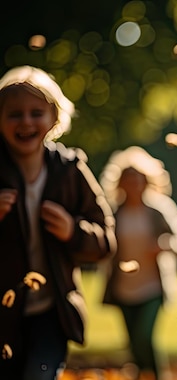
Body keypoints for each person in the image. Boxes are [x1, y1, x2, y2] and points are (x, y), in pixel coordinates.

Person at [0, 65, 117, 380]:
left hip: (51, 315)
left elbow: (106, 240)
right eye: (14, 114)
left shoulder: (70, 170)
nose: (26, 122)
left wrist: (73, 231)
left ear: (54, 117)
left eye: (36, 112)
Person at [100, 146, 177, 380]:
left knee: (145, 337)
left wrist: (166, 245)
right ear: (119, 183)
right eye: (128, 179)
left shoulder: (158, 209)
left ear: (147, 181)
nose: (133, 184)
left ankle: (158, 376)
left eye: (138, 179)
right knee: (133, 343)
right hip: (123, 288)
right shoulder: (113, 213)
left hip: (152, 286)